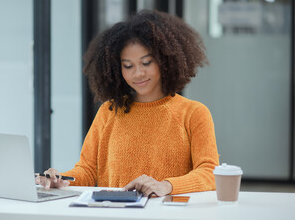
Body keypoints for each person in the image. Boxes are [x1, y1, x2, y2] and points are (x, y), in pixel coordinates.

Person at [36, 10, 219, 197]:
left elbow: (210, 172)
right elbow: (88, 170)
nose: (138, 73)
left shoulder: (194, 113)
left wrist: (167, 185)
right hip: (114, 213)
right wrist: (60, 179)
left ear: (165, 61)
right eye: (128, 66)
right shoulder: (109, 111)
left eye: (146, 63)